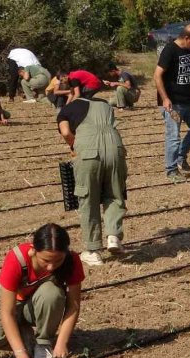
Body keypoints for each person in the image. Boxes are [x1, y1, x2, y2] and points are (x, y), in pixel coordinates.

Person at [0, 223, 85, 358]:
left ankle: (44, 343)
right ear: (33, 251)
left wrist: (61, 343)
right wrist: (20, 353)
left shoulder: (72, 261)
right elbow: (7, 312)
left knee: (52, 293)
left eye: (58, 261)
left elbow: (73, 306)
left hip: (38, 303)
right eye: (46, 260)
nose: (51, 267)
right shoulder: (17, 258)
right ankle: (27, 341)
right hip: (10, 302)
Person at [57, 91, 128, 267]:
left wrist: (74, 146)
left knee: (88, 199)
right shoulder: (104, 105)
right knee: (115, 193)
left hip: (89, 152)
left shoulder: (67, 109)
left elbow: (66, 132)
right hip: (115, 149)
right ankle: (113, 237)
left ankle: (92, 249)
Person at [154, 24, 190, 183]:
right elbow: (157, 76)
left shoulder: (189, 49)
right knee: (173, 136)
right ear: (186, 37)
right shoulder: (170, 50)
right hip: (172, 103)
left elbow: (184, 73)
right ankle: (171, 170)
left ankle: (181, 157)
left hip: (188, 100)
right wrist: (165, 98)